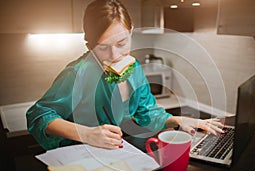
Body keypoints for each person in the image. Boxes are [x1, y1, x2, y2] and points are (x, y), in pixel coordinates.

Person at [26, 0, 224, 150]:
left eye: (121, 44)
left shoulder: (134, 68)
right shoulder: (78, 73)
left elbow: (147, 113)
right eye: (103, 47)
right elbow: (38, 115)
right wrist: (87, 134)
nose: (115, 56)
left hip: (120, 155)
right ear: (90, 45)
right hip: (83, 160)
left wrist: (178, 120)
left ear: (131, 32)